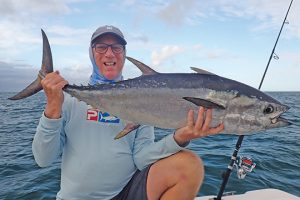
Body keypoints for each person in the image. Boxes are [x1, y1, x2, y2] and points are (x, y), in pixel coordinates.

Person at [32, 25, 224, 200]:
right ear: (91, 53)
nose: (109, 54)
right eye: (101, 47)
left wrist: (179, 137)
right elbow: (43, 159)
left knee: (189, 165)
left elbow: (141, 158)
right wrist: (52, 109)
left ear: (124, 54)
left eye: (117, 48)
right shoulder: (67, 100)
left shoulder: (140, 98)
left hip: (126, 193)